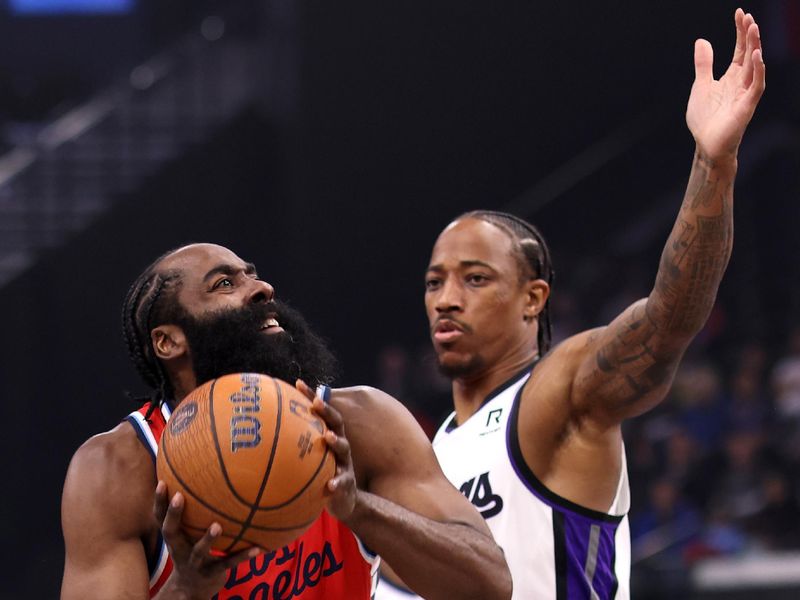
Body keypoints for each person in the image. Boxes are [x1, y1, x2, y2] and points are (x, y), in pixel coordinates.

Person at [377, 8, 765, 599]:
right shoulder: (430, 452)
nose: (446, 300)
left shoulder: (559, 393)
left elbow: (667, 321)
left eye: (475, 279)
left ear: (534, 298)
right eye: (435, 282)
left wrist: (714, 164)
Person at [60, 242, 512, 599]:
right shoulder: (118, 469)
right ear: (168, 342)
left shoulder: (359, 424)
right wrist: (186, 589)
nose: (261, 288)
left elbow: (488, 586)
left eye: (252, 275)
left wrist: (358, 508)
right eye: (223, 284)